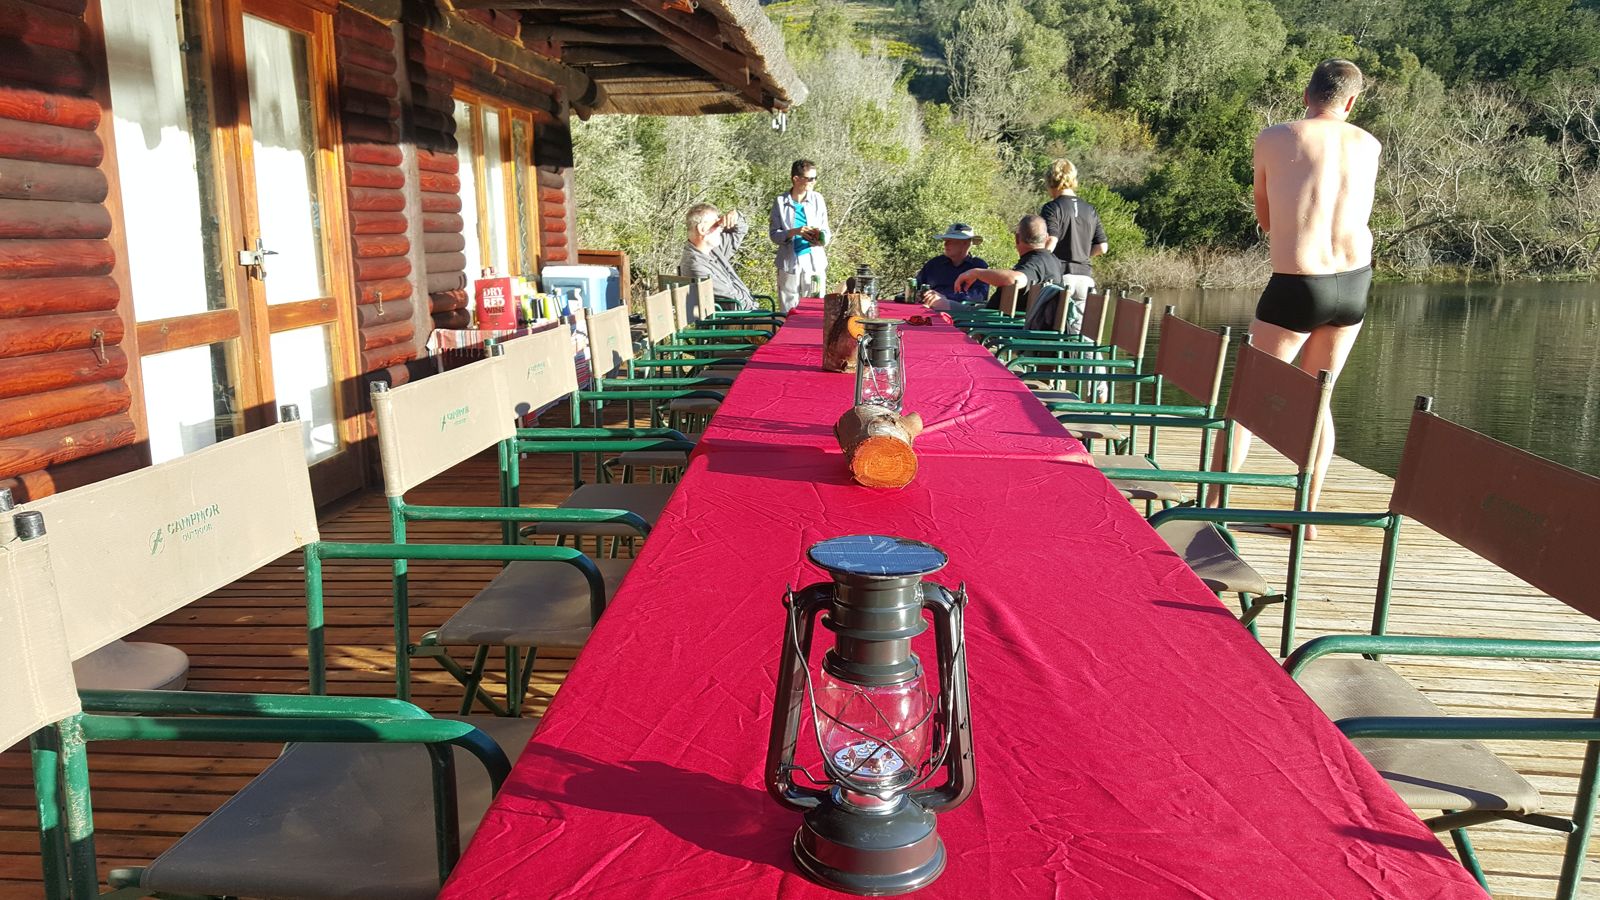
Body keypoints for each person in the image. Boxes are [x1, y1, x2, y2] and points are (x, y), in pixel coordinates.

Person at [1209, 58, 1382, 537]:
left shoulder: (1276, 138)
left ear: (1307, 95)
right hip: (1355, 282)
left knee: (1248, 399)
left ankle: (1212, 502)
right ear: (1351, 102)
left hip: (1299, 282)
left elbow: (1266, 220)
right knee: (1318, 399)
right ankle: (1304, 515)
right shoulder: (1369, 145)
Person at [952, 215, 1064, 314]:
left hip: (992, 323)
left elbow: (1014, 279)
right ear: (1046, 238)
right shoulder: (1053, 261)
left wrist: (976, 273)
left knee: (943, 305)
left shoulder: (1035, 262)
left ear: (1017, 238)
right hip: (998, 319)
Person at [1040, 158, 1107, 313]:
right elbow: (1102, 247)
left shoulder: (1052, 208)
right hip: (1085, 280)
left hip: (1060, 278)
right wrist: (1081, 255)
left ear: (1050, 181)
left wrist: (1038, 261)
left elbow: (1051, 241)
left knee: (1052, 325)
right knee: (1079, 328)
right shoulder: (1089, 209)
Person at [768, 159, 830, 312]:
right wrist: (795, 232)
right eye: (810, 179)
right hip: (789, 263)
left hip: (814, 264)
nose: (814, 182)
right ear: (796, 179)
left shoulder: (818, 199)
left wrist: (820, 237)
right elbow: (774, 235)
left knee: (814, 309)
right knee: (788, 310)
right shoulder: (780, 202)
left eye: (815, 178)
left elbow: (826, 232)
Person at [678, 203, 756, 310]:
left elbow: (740, 230)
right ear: (702, 229)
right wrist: (755, 308)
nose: (721, 229)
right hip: (738, 317)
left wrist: (736, 217)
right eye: (716, 224)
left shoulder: (714, 251)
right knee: (779, 318)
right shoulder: (695, 266)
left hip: (746, 313)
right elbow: (735, 304)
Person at [916, 223, 990, 310]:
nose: (945, 244)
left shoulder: (979, 267)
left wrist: (943, 298)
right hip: (926, 312)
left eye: (950, 241)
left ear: (965, 244)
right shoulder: (934, 264)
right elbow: (917, 286)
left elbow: (978, 296)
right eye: (945, 240)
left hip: (961, 315)